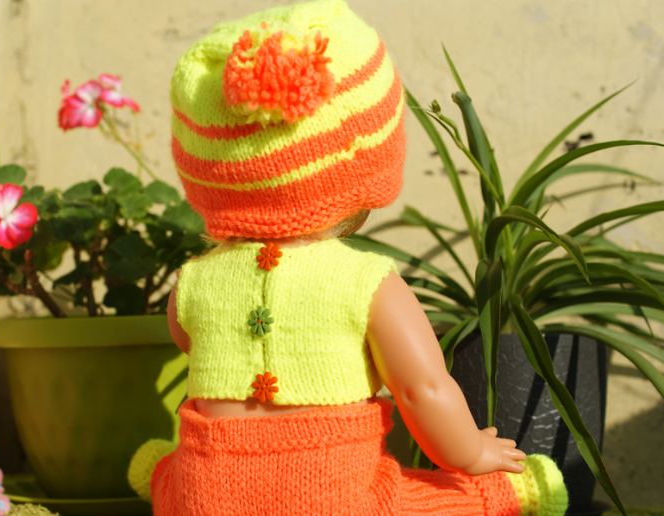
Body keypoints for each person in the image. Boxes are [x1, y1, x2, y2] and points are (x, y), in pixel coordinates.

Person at [129, 1, 568, 514]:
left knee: (178, 480)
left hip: (207, 498)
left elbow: (188, 340)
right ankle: (515, 493)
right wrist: (472, 452)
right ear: (365, 163)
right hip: (335, 497)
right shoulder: (366, 282)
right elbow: (423, 390)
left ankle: (157, 472)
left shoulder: (193, 282)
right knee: (424, 499)